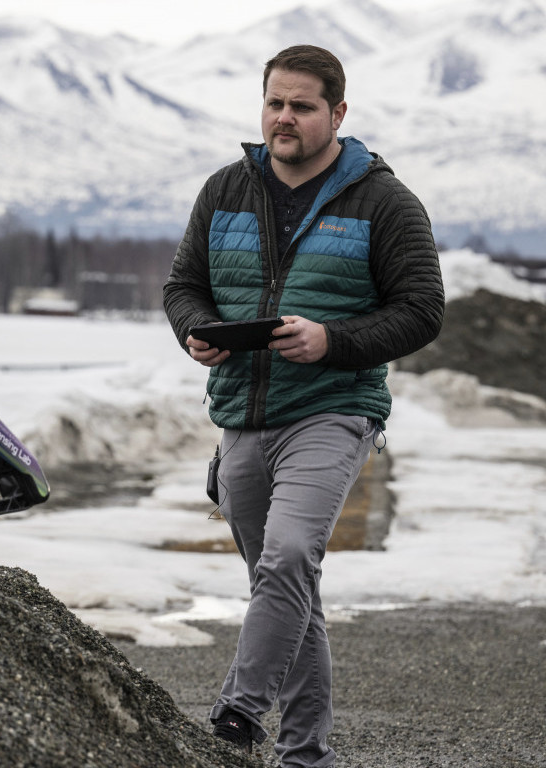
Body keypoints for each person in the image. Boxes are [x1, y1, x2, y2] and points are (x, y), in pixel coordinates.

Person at [162, 44, 444, 767]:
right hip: (242, 414)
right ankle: (304, 756)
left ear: (337, 112)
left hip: (334, 407)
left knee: (287, 558)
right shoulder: (227, 188)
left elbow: (421, 310)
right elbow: (183, 284)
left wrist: (333, 341)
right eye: (274, 103)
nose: (284, 118)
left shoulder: (384, 201)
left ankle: (237, 713)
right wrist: (194, 328)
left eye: (302, 106)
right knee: (290, 592)